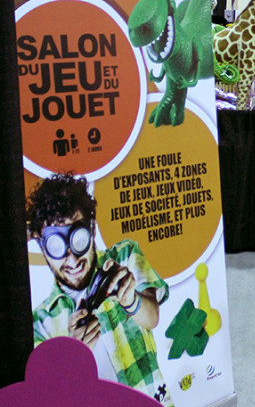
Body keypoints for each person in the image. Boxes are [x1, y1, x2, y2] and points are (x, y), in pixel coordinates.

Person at [26, 172, 173, 407]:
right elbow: (50, 396)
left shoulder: (124, 256)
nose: (71, 259)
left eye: (78, 238)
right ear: (42, 247)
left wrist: (132, 301)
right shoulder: (40, 324)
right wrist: (72, 355)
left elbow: (152, 317)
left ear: (92, 229)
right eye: (55, 245)